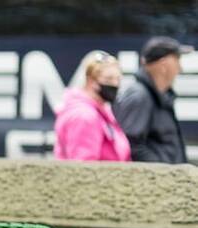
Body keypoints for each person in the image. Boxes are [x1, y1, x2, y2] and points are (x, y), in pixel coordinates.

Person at [113, 36, 193, 164]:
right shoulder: (139, 97)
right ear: (163, 64)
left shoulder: (158, 96)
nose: (180, 68)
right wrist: (164, 174)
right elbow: (131, 147)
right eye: (177, 60)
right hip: (156, 182)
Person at [53, 51, 130, 162]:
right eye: (109, 79)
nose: (115, 84)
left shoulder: (102, 110)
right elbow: (84, 168)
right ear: (91, 81)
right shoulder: (84, 116)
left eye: (118, 79)